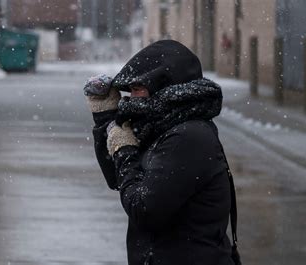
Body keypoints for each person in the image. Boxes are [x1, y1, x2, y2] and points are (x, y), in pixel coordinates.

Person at [84, 40, 240, 265]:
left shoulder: (187, 137)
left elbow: (143, 210)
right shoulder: (160, 126)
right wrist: (105, 119)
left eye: (138, 89)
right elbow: (118, 179)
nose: (132, 99)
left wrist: (124, 149)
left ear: (164, 87)